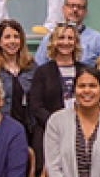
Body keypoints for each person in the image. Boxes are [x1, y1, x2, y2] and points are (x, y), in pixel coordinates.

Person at [30, 23, 86, 152]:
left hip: (82, 133)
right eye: (61, 38)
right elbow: (36, 106)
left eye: (70, 38)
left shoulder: (85, 70)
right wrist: (58, 124)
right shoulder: (42, 72)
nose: (65, 42)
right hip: (50, 133)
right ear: (54, 42)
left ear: (76, 42)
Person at [0, 19, 36, 130]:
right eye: (7, 37)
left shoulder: (31, 66)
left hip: (28, 127)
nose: (12, 41)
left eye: (16, 37)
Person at [34, 0, 100, 66]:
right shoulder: (49, 39)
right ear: (63, 9)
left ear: (85, 12)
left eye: (79, 7)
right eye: (71, 6)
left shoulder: (98, 40)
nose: (75, 10)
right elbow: (38, 67)